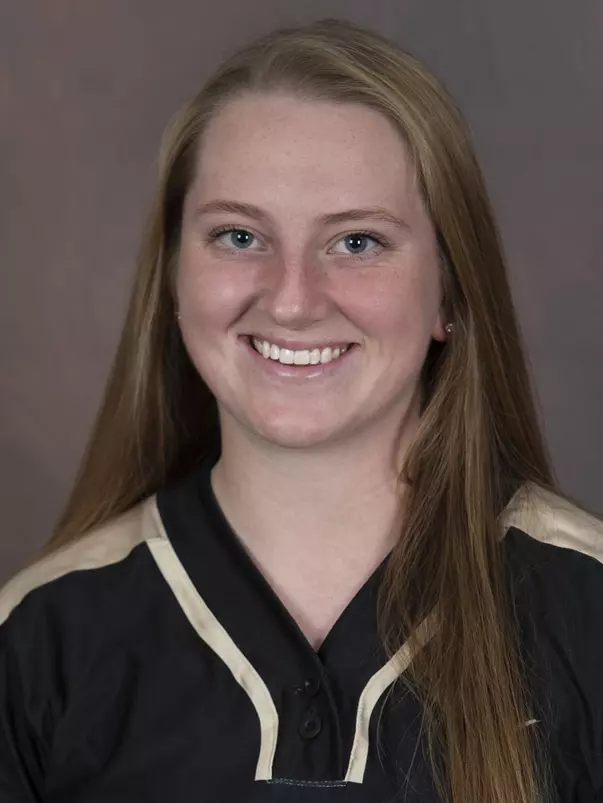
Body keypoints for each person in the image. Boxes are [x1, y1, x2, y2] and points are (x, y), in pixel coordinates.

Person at [1, 17, 601, 803]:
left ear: (450, 294)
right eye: (238, 235)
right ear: (173, 278)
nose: (291, 301)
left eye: (356, 243)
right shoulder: (38, 641)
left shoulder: (585, 613)